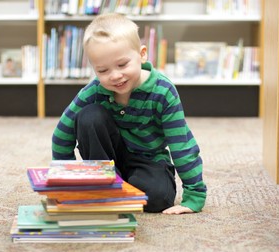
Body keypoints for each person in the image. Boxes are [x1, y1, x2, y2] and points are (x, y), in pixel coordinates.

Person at [52, 13, 207, 214]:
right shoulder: (94, 91)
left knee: (158, 199)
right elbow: (62, 135)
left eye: (122, 65)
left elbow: (182, 144)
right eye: (103, 70)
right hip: (105, 160)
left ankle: (115, 189)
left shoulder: (163, 91)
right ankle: (103, 183)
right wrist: (68, 183)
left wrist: (195, 195)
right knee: (89, 116)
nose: (115, 76)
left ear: (142, 54)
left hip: (149, 159)